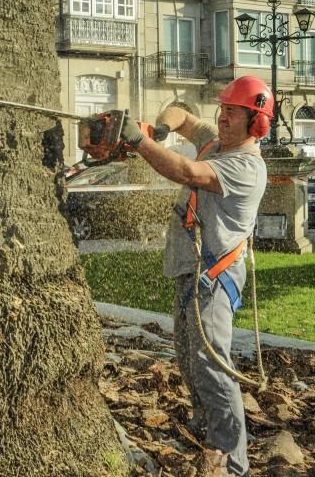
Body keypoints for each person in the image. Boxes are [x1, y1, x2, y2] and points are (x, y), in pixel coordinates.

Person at [120, 75, 272, 477]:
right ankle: (206, 431)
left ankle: (231, 460)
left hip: (215, 277)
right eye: (223, 109)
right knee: (189, 359)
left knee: (212, 364)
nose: (223, 118)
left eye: (233, 113)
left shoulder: (246, 167)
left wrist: (139, 141)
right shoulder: (215, 142)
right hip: (192, 271)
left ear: (256, 122)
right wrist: (160, 128)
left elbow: (187, 171)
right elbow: (182, 114)